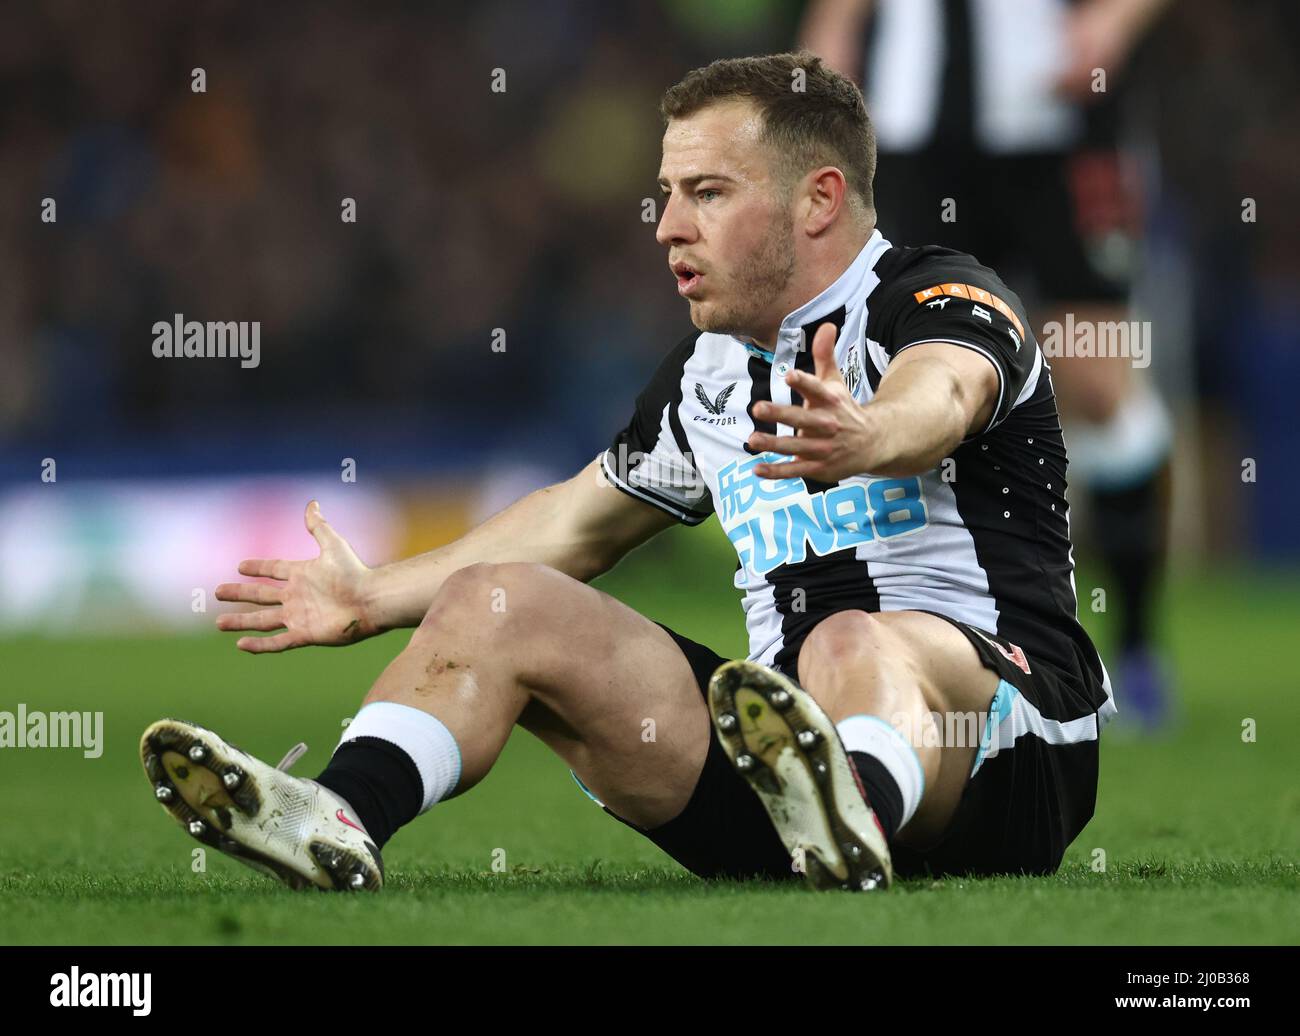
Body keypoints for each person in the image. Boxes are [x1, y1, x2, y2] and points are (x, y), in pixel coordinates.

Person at [141, 52, 1112, 893]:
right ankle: (336, 817)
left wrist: (870, 433)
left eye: (708, 193)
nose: (667, 227)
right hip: (780, 763)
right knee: (501, 600)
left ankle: (850, 806)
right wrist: (372, 595)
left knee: (850, 642)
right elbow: (576, 524)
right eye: (668, 194)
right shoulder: (708, 373)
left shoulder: (941, 297)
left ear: (817, 198)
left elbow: (944, 392)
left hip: (1006, 753)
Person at [800, 0, 1175, 730]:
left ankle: (1133, 646)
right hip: (913, 126)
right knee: (910, 367)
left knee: (1097, 381)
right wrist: (833, 31)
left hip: (1059, 119)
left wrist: (1116, 22)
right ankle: (948, 644)